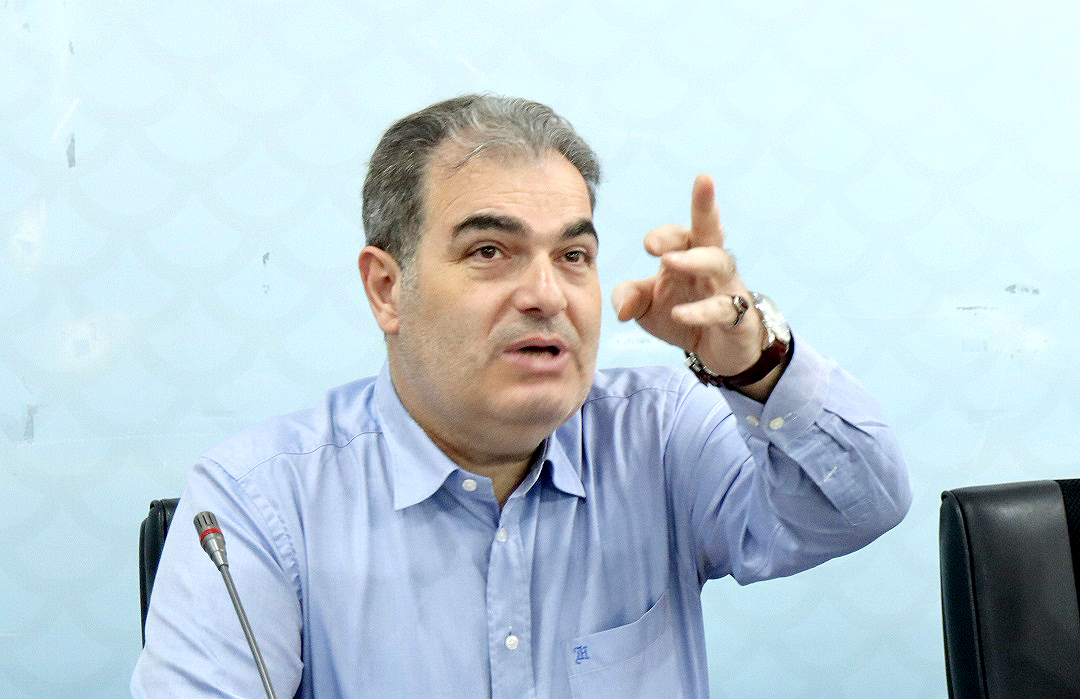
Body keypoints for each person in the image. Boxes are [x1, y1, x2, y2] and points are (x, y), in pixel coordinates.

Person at [132, 94, 911, 698]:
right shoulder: (258, 505)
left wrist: (756, 366)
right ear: (386, 289)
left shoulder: (658, 434)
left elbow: (863, 502)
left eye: (573, 255)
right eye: (490, 251)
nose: (546, 294)